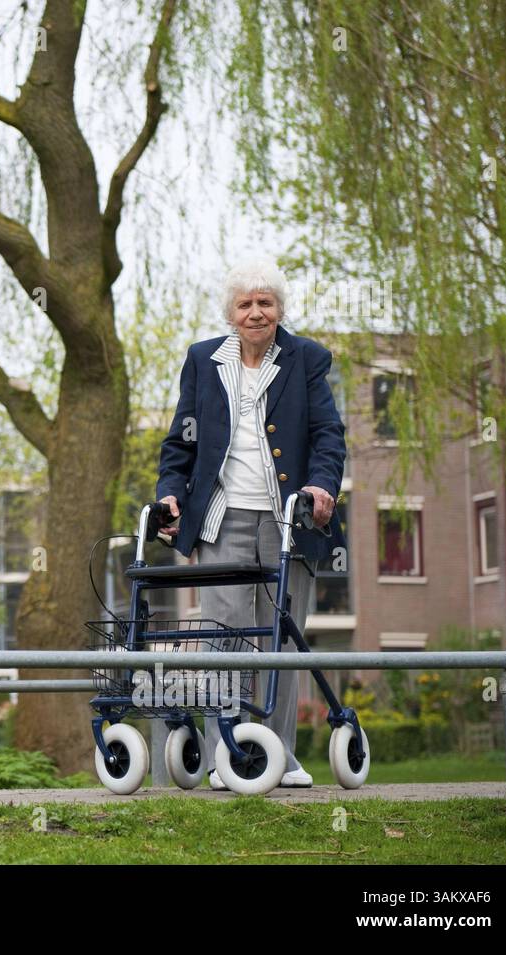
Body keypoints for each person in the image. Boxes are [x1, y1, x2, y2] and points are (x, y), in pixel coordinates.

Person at [154, 257, 347, 788]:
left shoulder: (306, 358)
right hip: (222, 518)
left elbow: (328, 433)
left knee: (283, 641)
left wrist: (322, 486)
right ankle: (225, 756)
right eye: (246, 304)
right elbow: (181, 442)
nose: (256, 312)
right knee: (225, 640)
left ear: (280, 309)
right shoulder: (202, 360)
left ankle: (279, 757)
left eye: (266, 302)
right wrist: (170, 495)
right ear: (231, 313)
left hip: (290, 520)